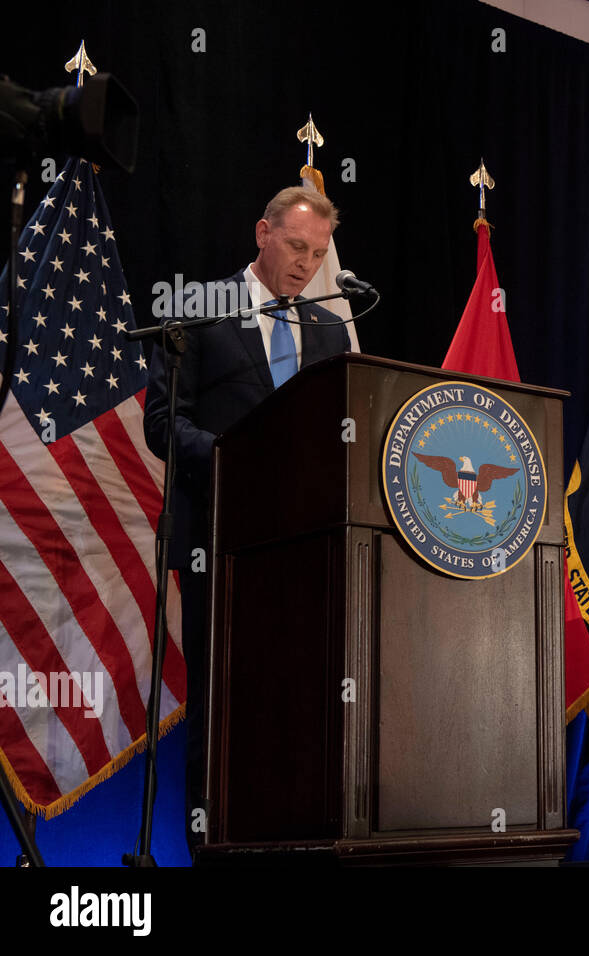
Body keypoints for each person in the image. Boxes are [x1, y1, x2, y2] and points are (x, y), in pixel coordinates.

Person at [142, 186, 352, 851]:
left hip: (306, 546)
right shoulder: (200, 309)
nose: (305, 264)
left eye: (317, 254)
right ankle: (210, 847)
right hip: (219, 539)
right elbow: (161, 422)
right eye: (295, 246)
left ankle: (283, 844)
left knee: (294, 701)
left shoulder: (327, 327)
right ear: (262, 232)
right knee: (220, 703)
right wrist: (238, 457)